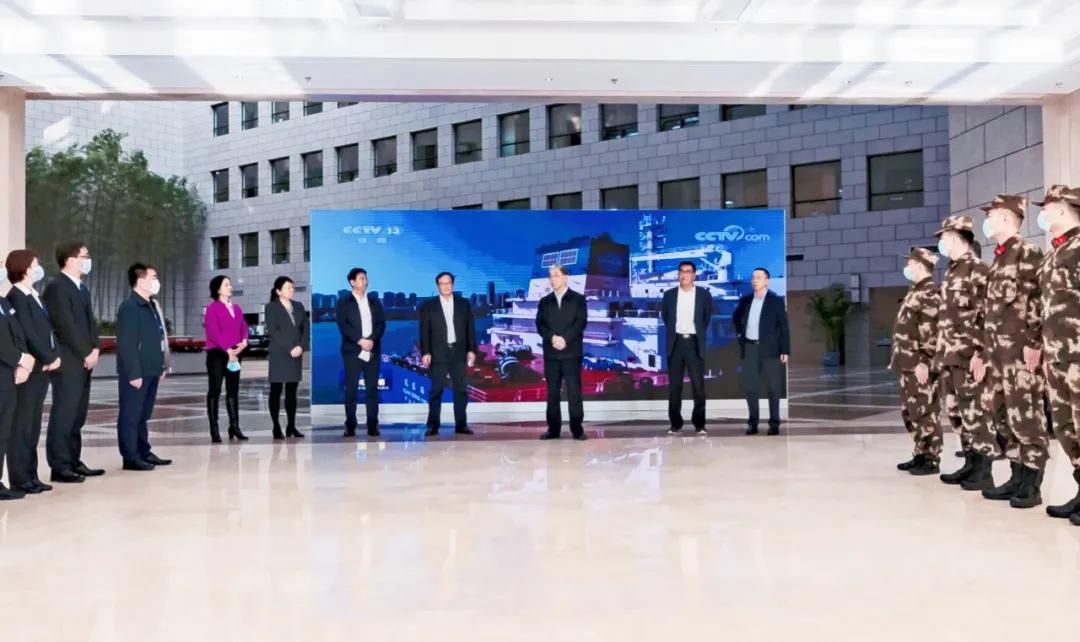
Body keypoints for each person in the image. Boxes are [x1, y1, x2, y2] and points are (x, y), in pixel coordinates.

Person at [971, 194, 1048, 507]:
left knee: (1026, 415)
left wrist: (1034, 341)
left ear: (1006, 218)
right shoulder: (999, 259)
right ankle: (1016, 475)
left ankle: (1032, 482)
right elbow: (991, 313)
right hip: (997, 356)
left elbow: (1038, 299)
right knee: (1004, 416)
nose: (987, 222)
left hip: (1020, 354)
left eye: (991, 216)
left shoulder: (1028, 252)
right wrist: (983, 352)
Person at [932, 216, 995, 490]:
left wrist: (981, 353)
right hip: (951, 356)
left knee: (976, 412)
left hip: (969, 356)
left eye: (944, 238)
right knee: (957, 412)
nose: (941, 243)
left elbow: (987, 315)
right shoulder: (952, 271)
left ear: (958, 238)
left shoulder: (978, 269)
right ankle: (970, 462)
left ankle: (984, 470)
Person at [1034, 185, 1080, 525]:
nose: (1043, 214)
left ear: (1064, 209)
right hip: (1057, 355)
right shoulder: (1054, 254)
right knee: (1066, 427)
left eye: (1047, 208)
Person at [42, 241, 103, 483]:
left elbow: (90, 323)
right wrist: (86, 352)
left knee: (78, 415)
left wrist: (96, 348)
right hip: (68, 360)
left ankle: (73, 460)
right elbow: (65, 325)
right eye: (84, 256)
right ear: (69, 259)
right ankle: (60, 466)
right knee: (64, 414)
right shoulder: (56, 287)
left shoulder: (82, 288)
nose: (88, 261)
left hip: (84, 360)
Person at [6, 250, 59, 494]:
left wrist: (54, 355)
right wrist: (48, 357)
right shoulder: (16, 296)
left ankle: (32, 474)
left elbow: (48, 331)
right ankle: (20, 477)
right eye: (36, 264)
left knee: (34, 425)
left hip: (42, 368)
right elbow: (28, 334)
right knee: (22, 425)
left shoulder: (34, 296)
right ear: (25, 268)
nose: (39, 268)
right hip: (31, 369)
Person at [890, 248, 943, 475]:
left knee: (925, 410)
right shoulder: (915, 291)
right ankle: (920, 452)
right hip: (906, 362)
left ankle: (931, 458)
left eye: (910, 263)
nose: (907, 268)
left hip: (920, 364)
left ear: (920, 265)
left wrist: (924, 360)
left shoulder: (930, 292)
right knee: (911, 411)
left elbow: (931, 331)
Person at [114, 263, 172, 471]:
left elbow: (159, 337)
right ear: (140, 281)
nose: (157, 281)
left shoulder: (152, 305)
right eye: (153, 277)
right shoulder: (130, 307)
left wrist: (163, 364)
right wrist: (133, 372)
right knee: (130, 415)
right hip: (137, 371)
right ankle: (130, 456)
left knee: (143, 414)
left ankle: (143, 451)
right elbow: (126, 343)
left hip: (152, 368)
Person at [419, 271, 477, 437]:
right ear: (438, 286)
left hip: (458, 352)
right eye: (442, 283)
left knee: (461, 391)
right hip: (438, 353)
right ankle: (433, 425)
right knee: (436, 390)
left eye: (448, 283)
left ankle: (461, 425)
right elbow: (424, 331)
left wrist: (471, 350)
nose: (446, 286)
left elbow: (470, 329)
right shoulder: (429, 306)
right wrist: (426, 352)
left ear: (453, 284)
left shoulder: (463, 304)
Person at [732, 267, 790, 435]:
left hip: (770, 350)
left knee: (773, 388)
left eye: (758, 277)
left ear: (767, 281)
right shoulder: (746, 300)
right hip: (750, 348)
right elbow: (736, 318)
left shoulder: (775, 301)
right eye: (753, 277)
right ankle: (753, 423)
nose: (755, 280)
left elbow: (784, 327)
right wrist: (740, 335)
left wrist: (785, 350)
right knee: (751, 388)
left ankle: (774, 423)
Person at [661, 261, 714, 436]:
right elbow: (666, 318)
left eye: (688, 271)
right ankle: (675, 424)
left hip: (694, 343)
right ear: (678, 274)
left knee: (698, 387)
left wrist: (694, 334)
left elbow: (705, 319)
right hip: (675, 343)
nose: (684, 274)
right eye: (681, 271)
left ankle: (699, 424)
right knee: (674, 387)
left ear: (694, 275)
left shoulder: (704, 295)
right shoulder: (669, 295)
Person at [535, 265, 588, 441]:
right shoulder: (544, 301)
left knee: (574, 392)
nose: (552, 279)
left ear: (565, 278)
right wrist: (552, 338)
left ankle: (577, 430)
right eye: (550, 276)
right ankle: (553, 429)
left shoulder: (578, 299)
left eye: (556, 275)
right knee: (552, 393)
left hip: (571, 353)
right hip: (551, 354)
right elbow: (540, 325)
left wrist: (565, 339)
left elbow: (580, 322)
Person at [335, 268, 385, 438]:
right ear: (352, 282)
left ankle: (372, 425)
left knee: (372, 390)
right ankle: (350, 425)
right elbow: (343, 326)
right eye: (361, 278)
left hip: (373, 350)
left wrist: (371, 340)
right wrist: (360, 340)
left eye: (366, 278)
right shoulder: (343, 302)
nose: (365, 281)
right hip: (352, 351)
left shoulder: (374, 301)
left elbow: (381, 324)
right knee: (351, 389)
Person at [0, 259, 34, 500]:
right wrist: (20, 358)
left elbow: (17, 333)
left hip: (8, 377)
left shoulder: (3, 302)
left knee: (3, 432)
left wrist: (24, 360)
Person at [204, 275, 249, 442]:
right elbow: (214, 332)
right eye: (226, 285)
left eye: (230, 284)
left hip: (236, 353)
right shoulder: (212, 309)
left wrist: (244, 342)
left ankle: (234, 426)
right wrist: (228, 351)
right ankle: (214, 429)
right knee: (215, 390)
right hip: (217, 354)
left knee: (233, 390)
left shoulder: (237, 308)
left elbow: (243, 326)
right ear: (218, 289)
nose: (230, 287)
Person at [266, 276, 309, 440]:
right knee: (276, 390)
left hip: (296, 353)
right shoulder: (271, 307)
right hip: (279, 353)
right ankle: (276, 426)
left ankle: (291, 426)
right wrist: (290, 348)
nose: (292, 290)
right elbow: (273, 331)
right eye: (288, 287)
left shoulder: (299, 306)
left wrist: (301, 346)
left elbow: (305, 329)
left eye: (293, 287)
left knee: (292, 391)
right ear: (278, 291)